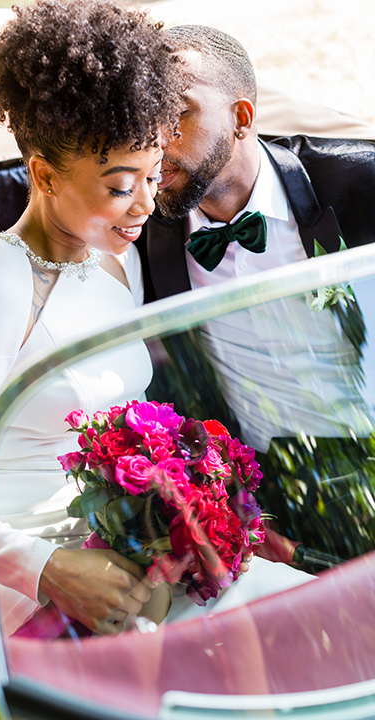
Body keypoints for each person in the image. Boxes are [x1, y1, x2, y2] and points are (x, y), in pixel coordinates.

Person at [0, 0, 187, 638]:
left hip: (110, 549)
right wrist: (49, 568)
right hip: (8, 579)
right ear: (44, 175)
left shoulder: (112, 258)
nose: (144, 204)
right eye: (119, 185)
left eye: (154, 174)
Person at [137, 24, 375, 560]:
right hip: (268, 497)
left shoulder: (360, 183)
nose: (154, 138)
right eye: (142, 115)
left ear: (241, 118)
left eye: (176, 113)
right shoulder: (139, 233)